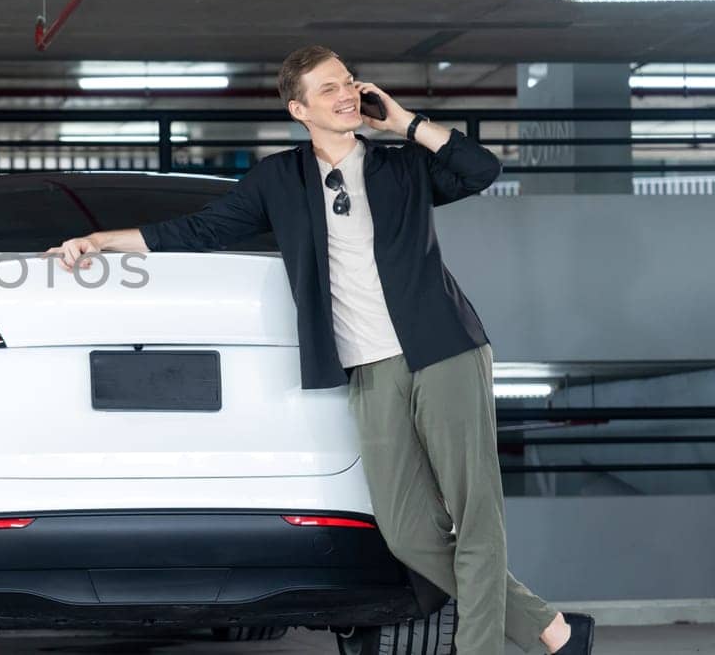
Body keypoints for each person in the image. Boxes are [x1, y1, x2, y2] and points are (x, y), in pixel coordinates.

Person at [46, 45, 593, 655]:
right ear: (298, 108)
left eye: (349, 82)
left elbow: (481, 168)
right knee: (408, 531)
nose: (346, 94)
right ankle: (550, 628)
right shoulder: (278, 179)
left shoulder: (401, 166)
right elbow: (195, 231)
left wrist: (406, 122)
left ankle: (483, 648)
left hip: (444, 350)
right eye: (328, 88)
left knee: (475, 512)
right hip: (369, 365)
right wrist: (100, 239)